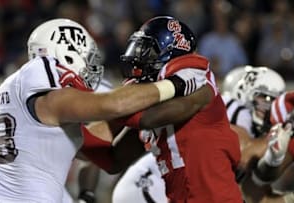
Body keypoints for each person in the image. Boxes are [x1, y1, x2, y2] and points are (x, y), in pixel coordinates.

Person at [0, 18, 205, 202]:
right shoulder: (39, 73)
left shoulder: (37, 103)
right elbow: (113, 105)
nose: (90, 69)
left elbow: (107, 155)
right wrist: (176, 84)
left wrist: (145, 120)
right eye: (87, 58)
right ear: (65, 51)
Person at [81, 16, 243, 203]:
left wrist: (108, 107)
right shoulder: (152, 106)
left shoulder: (195, 75)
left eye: (148, 53)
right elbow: (114, 160)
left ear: (172, 52)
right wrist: (70, 133)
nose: (138, 60)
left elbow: (149, 118)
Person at [111, 66, 291, 203]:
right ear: (244, 91)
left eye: (275, 103)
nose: (270, 111)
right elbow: (243, 153)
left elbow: (255, 195)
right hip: (152, 187)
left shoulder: (253, 137)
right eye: (265, 101)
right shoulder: (233, 108)